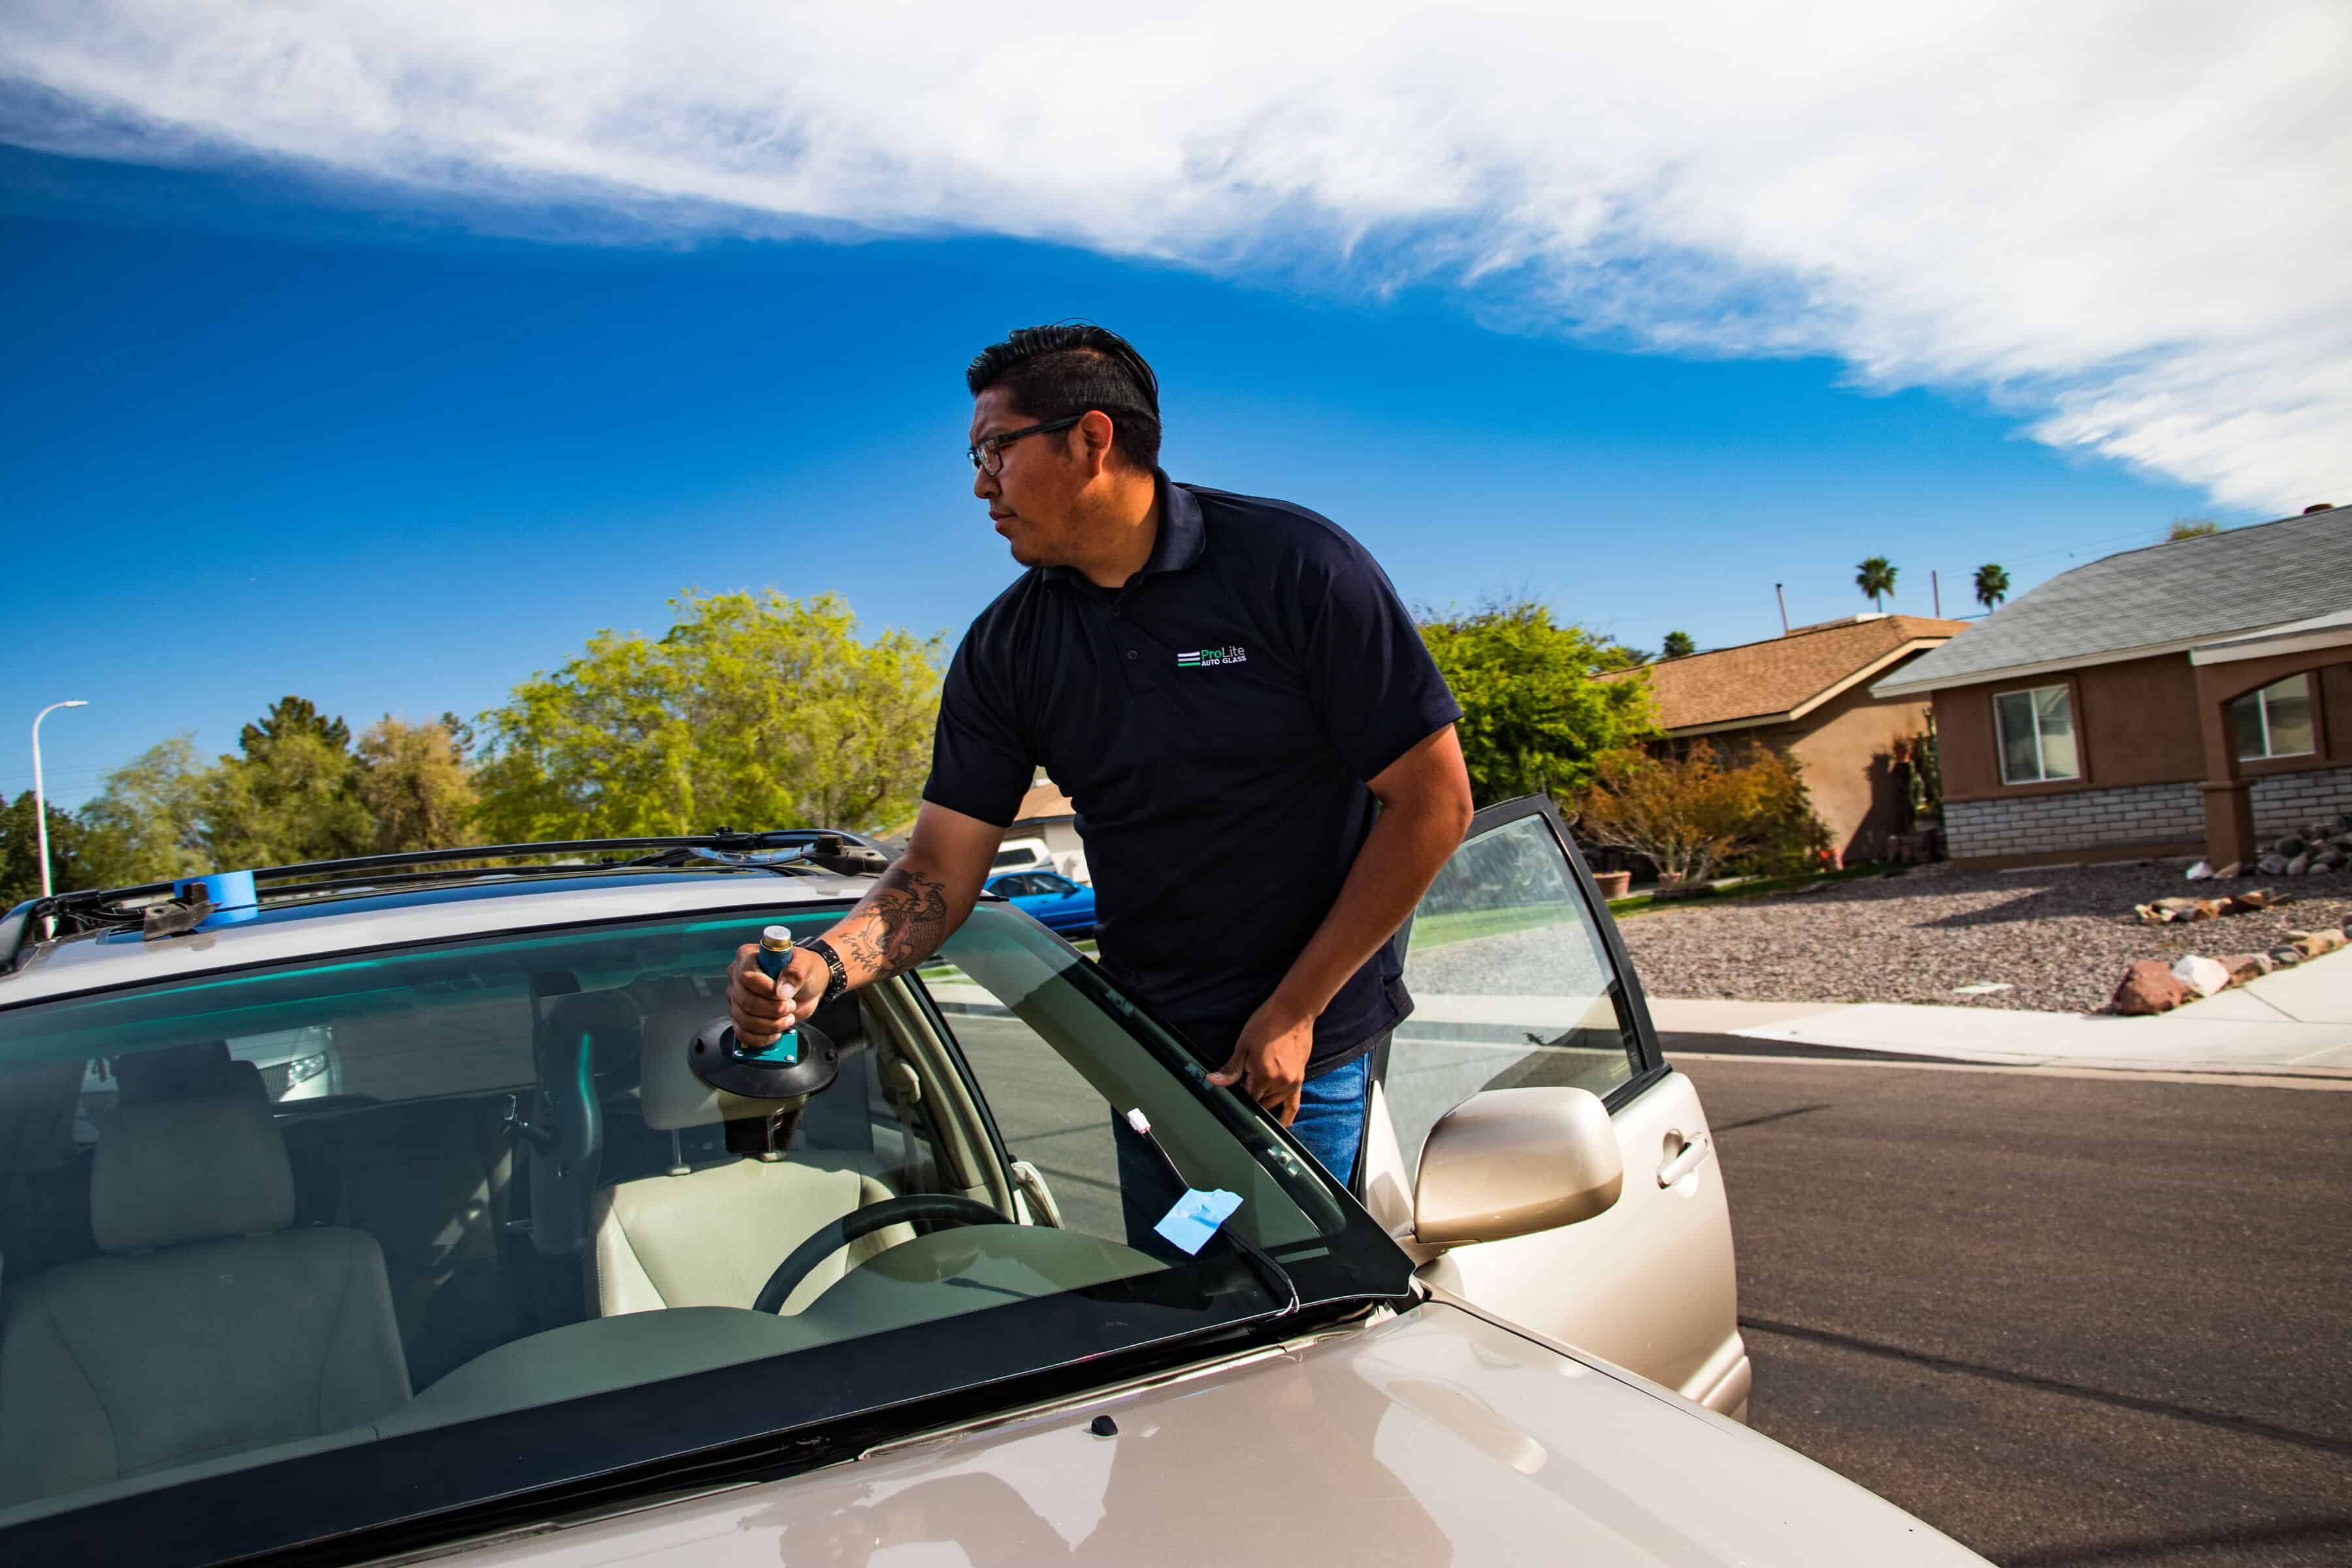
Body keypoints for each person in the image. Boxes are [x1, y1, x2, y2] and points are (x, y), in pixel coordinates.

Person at [728, 323, 1471, 1190]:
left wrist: (1294, 1013)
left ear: (1092, 439)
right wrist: (825, 961)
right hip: (1148, 1060)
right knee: (1181, 1306)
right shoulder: (1006, 649)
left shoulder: (1296, 566)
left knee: (1307, 1312)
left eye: (996, 450)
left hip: (1306, 1056)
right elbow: (936, 872)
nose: (979, 485)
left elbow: (1432, 803)